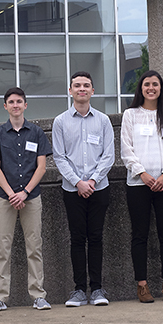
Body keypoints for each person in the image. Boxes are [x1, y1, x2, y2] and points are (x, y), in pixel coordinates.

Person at [0, 87, 52, 312]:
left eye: (19, 101)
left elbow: (41, 167)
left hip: (31, 197)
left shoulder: (36, 133)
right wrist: (12, 193)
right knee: (2, 247)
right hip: (5, 198)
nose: (15, 105)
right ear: (5, 106)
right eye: (11, 102)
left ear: (25, 105)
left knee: (35, 246)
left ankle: (38, 295)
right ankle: (0, 297)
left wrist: (24, 192)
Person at [53, 71, 115, 307]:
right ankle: (79, 290)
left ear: (92, 91)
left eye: (86, 85)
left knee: (97, 237)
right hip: (72, 189)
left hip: (99, 188)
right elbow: (59, 157)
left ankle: (98, 289)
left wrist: (93, 181)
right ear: (70, 91)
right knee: (77, 239)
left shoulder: (103, 121)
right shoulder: (60, 121)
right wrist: (78, 182)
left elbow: (109, 155)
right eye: (77, 85)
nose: (81, 89)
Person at [121, 70, 163, 303]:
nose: (151, 88)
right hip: (138, 184)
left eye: (155, 84)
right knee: (140, 235)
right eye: (147, 84)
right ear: (141, 88)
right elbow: (126, 149)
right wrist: (143, 174)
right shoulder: (130, 115)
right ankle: (142, 286)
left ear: (160, 88)